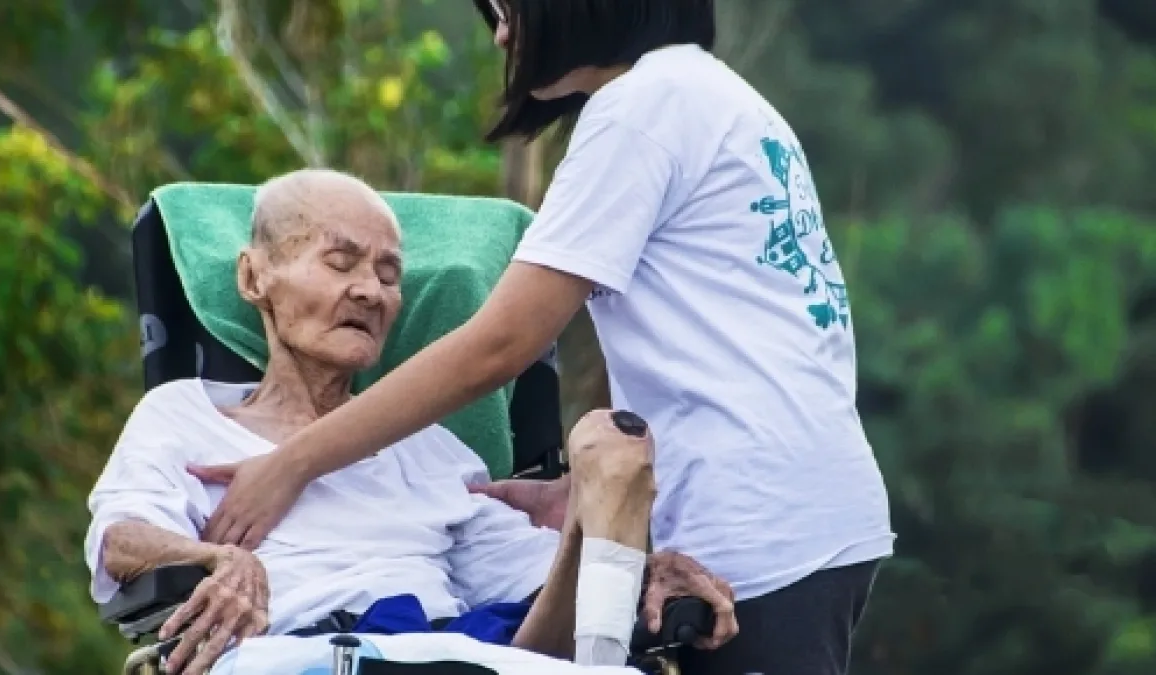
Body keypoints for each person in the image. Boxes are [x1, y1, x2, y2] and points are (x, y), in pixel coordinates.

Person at [191, 2, 895, 674]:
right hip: (807, 498)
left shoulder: (640, 112)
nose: (502, 39)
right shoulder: (709, 94)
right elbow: (718, 335)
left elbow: (499, 346)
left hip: (759, 522)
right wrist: (578, 494)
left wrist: (292, 463)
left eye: (506, 12)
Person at [84, 169, 737, 675]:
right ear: (254, 277)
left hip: (456, 650)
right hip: (295, 651)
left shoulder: (432, 450)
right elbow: (121, 540)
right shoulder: (186, 412)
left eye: (389, 273)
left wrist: (638, 563)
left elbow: (529, 577)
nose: (370, 291)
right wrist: (216, 557)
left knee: (608, 444)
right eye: (340, 262)